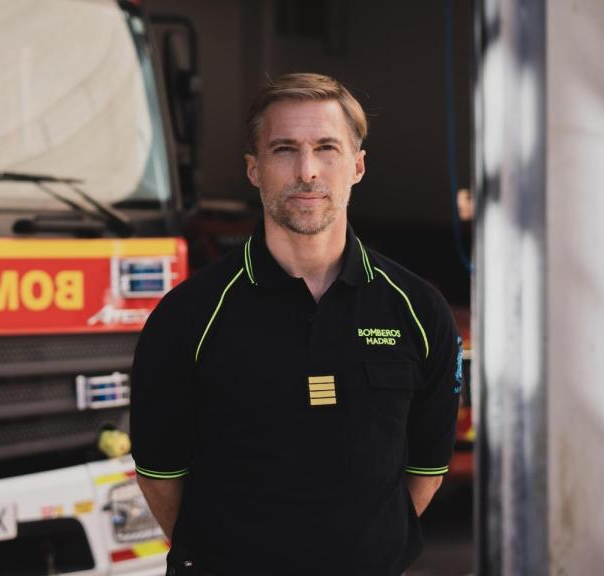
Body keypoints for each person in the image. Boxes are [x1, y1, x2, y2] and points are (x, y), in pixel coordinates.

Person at [130, 73, 462, 575]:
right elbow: (159, 476)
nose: (306, 171)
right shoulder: (187, 316)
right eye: (284, 149)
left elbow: (425, 474)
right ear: (254, 169)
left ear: (357, 166)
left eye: (326, 148)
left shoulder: (418, 311)